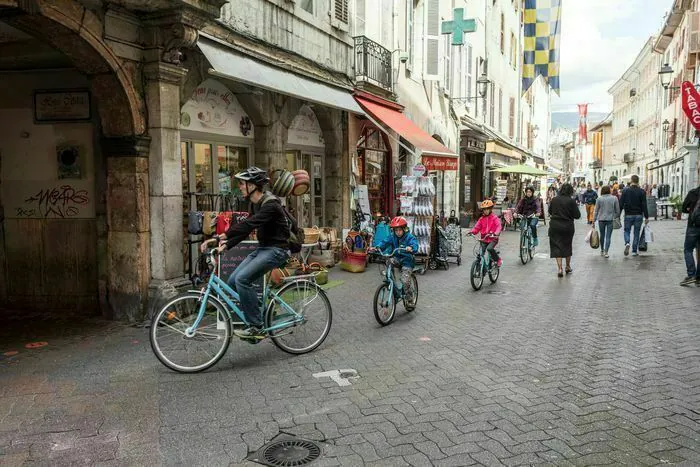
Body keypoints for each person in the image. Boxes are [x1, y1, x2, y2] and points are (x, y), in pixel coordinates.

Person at [200, 167, 291, 340]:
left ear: (253, 185)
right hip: (264, 248)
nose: (240, 187)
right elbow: (245, 231)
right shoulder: (255, 204)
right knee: (234, 281)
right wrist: (225, 245)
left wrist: (223, 235)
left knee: (243, 279)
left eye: (242, 183)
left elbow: (250, 224)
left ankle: (256, 327)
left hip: (278, 250)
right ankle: (260, 313)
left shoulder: (271, 204)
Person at [370, 216, 419, 298]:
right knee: (388, 260)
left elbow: (414, 244)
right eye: (396, 230)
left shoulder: (409, 237)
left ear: (404, 229)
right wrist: (376, 247)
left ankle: (410, 298)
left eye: (400, 230)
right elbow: (385, 242)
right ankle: (391, 280)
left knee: (405, 281)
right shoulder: (393, 236)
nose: (398, 232)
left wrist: (411, 248)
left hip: (407, 261)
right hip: (397, 258)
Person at [548, 183, 581, 277]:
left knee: (556, 246)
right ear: (570, 191)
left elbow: (550, 211)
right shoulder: (571, 201)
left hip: (555, 226)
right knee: (567, 245)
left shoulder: (554, 199)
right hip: (567, 226)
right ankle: (567, 266)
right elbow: (577, 216)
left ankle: (559, 269)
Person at [619, 174, 649, 257]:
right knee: (636, 233)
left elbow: (621, 204)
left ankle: (627, 242)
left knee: (627, 230)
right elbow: (644, 205)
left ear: (631, 181)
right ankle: (634, 251)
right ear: (638, 181)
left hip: (628, 214)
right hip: (639, 215)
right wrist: (646, 217)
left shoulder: (625, 191)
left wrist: (618, 214)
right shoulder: (642, 191)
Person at [469, 200, 503, 266]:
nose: (486, 211)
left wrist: (496, 233)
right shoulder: (481, 219)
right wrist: (471, 232)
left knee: (489, 248)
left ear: (490, 209)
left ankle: (498, 259)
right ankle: (479, 268)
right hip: (484, 239)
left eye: (487, 209)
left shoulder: (494, 218)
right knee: (480, 253)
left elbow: (498, 226)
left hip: (493, 238)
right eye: (484, 209)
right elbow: (476, 227)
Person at [680, 184, 700, 286]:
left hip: (693, 226)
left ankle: (691, 274)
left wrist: (689, 208)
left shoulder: (693, 193)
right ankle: (699, 278)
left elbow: (684, 208)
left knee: (688, 250)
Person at [594, 185, 620, 258]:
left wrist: (594, 220)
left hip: (601, 219)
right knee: (608, 236)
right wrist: (615, 216)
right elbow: (617, 210)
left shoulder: (599, 199)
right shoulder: (614, 198)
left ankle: (602, 250)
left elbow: (596, 211)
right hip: (610, 219)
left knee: (602, 235)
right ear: (609, 190)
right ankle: (606, 252)